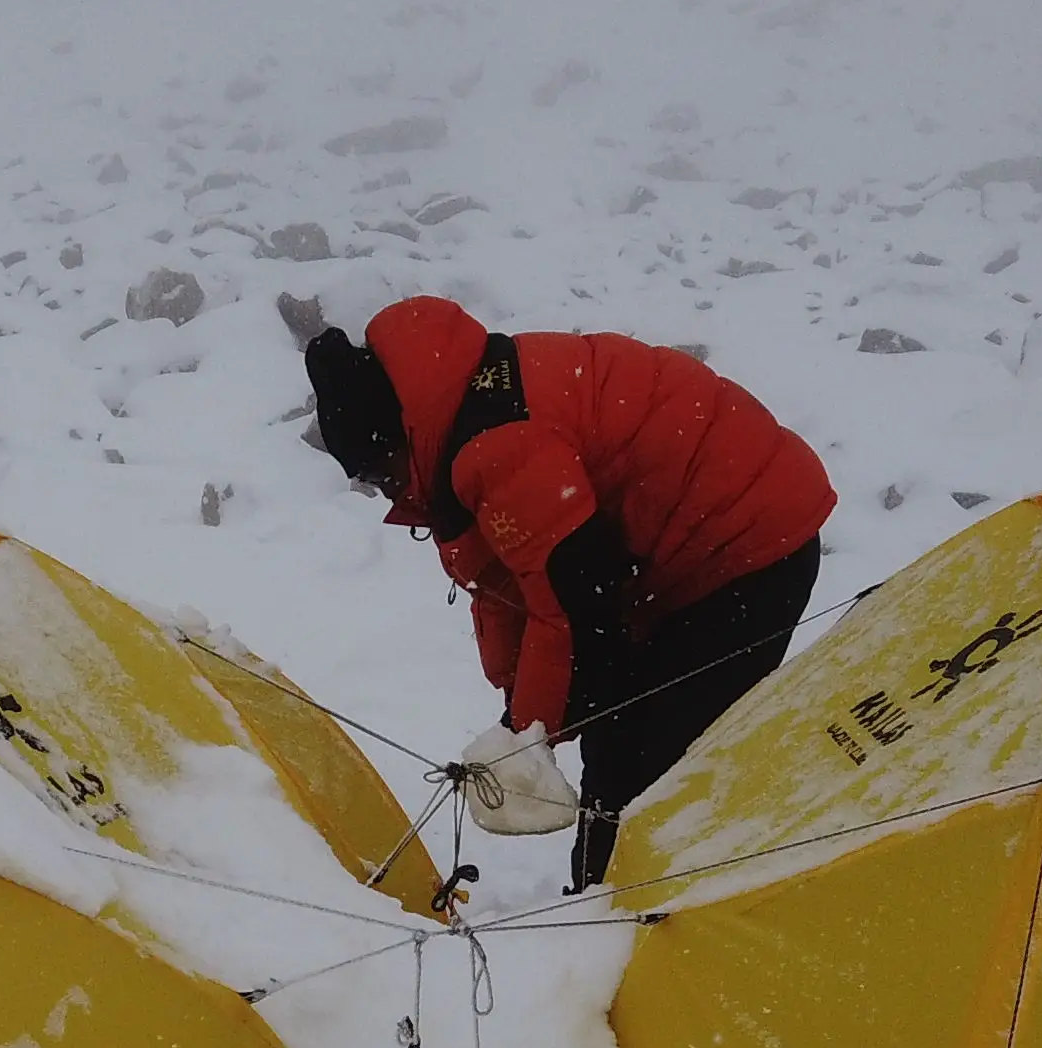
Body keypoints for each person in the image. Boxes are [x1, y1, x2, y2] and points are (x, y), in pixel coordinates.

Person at [305, 295, 835, 889]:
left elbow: (582, 609)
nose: (388, 494)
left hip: (748, 543)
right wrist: (520, 715)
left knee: (648, 766)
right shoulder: (462, 406)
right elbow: (519, 583)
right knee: (619, 737)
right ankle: (608, 900)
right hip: (680, 550)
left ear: (398, 438)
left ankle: (627, 914)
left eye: (380, 475)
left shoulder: (500, 446)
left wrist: (527, 733)